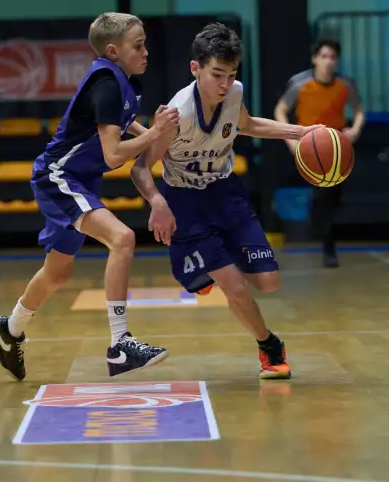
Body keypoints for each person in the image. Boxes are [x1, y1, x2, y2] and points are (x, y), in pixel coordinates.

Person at [0, 12, 179, 381]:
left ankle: (9, 329)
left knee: (57, 272)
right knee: (123, 238)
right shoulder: (106, 84)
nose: (146, 52)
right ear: (113, 51)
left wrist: (159, 135)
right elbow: (113, 155)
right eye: (138, 46)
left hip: (80, 180)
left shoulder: (120, 81)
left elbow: (125, 124)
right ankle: (120, 344)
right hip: (60, 177)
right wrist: (155, 135)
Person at [130, 22, 324, 379]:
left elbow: (247, 125)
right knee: (234, 286)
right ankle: (269, 345)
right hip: (184, 200)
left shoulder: (233, 94)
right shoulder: (177, 115)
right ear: (195, 68)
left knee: (268, 281)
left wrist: (302, 132)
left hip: (225, 191)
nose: (224, 83)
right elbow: (140, 168)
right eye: (217, 74)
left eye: (231, 75)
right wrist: (156, 202)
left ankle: (204, 262)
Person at [274, 38, 365, 268]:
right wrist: (290, 139)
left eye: (332, 57)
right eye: (324, 56)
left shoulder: (345, 84)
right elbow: (280, 110)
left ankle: (322, 226)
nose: (328, 61)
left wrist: (354, 130)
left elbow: (359, 110)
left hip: (336, 147)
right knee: (323, 194)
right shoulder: (300, 83)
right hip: (310, 146)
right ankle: (329, 248)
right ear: (315, 59)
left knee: (331, 197)